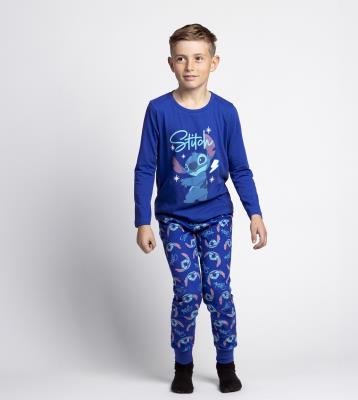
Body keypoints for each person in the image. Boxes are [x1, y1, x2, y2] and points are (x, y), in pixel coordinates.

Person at [134, 23, 268, 393]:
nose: (189, 66)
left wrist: (255, 213)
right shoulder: (159, 110)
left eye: (197, 58)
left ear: (214, 62)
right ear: (170, 63)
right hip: (174, 218)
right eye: (181, 59)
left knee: (218, 289)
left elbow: (240, 168)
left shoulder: (225, 112)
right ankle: (183, 365)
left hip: (216, 216)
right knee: (188, 291)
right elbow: (145, 167)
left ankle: (226, 362)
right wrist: (142, 220)